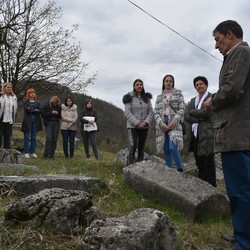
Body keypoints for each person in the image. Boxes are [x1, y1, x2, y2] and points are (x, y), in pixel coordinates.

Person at [203, 20, 250, 250]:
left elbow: (232, 88)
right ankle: (242, 233)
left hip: (236, 134)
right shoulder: (237, 55)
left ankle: (244, 242)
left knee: (240, 191)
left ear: (229, 34)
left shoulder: (241, 53)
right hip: (237, 132)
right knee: (240, 189)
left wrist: (213, 99)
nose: (215, 45)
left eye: (217, 39)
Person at [184, 76, 216, 187]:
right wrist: (197, 118)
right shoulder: (193, 100)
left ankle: (212, 188)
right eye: (196, 85)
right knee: (199, 163)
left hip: (207, 134)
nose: (199, 86)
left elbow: (206, 114)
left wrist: (193, 112)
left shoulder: (211, 98)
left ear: (206, 85)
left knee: (209, 163)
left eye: (201, 84)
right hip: (195, 134)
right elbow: (186, 115)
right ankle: (203, 188)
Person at [154, 74, 185, 172]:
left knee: (173, 147)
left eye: (170, 81)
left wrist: (173, 122)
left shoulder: (178, 93)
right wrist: (160, 123)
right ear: (163, 83)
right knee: (166, 147)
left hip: (174, 122)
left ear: (173, 83)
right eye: (166, 81)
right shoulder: (159, 96)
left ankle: (180, 169)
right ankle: (169, 169)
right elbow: (156, 112)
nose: (168, 83)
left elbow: (182, 109)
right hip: (162, 123)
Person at [122, 79, 153, 165]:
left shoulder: (147, 98)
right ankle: (129, 165)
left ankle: (140, 166)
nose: (139, 86)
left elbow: (150, 112)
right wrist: (137, 123)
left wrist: (145, 122)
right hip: (132, 126)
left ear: (142, 86)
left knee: (141, 146)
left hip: (145, 126)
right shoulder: (129, 97)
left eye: (141, 84)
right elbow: (127, 112)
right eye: (137, 84)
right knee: (133, 145)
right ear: (134, 86)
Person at [21, 88, 42, 158]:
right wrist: (34, 110)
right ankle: (26, 152)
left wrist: (32, 110)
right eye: (30, 93)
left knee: (34, 137)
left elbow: (39, 111)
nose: (32, 94)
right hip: (27, 121)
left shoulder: (38, 102)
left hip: (36, 121)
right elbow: (27, 110)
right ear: (28, 94)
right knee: (26, 137)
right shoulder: (25, 102)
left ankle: (32, 152)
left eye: (33, 92)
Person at [0, 82, 18, 149]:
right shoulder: (1, 96)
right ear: (4, 88)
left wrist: (14, 117)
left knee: (8, 135)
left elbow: (15, 108)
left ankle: (7, 150)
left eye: (10, 87)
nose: (9, 88)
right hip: (1, 117)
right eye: (8, 87)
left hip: (9, 118)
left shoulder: (14, 97)